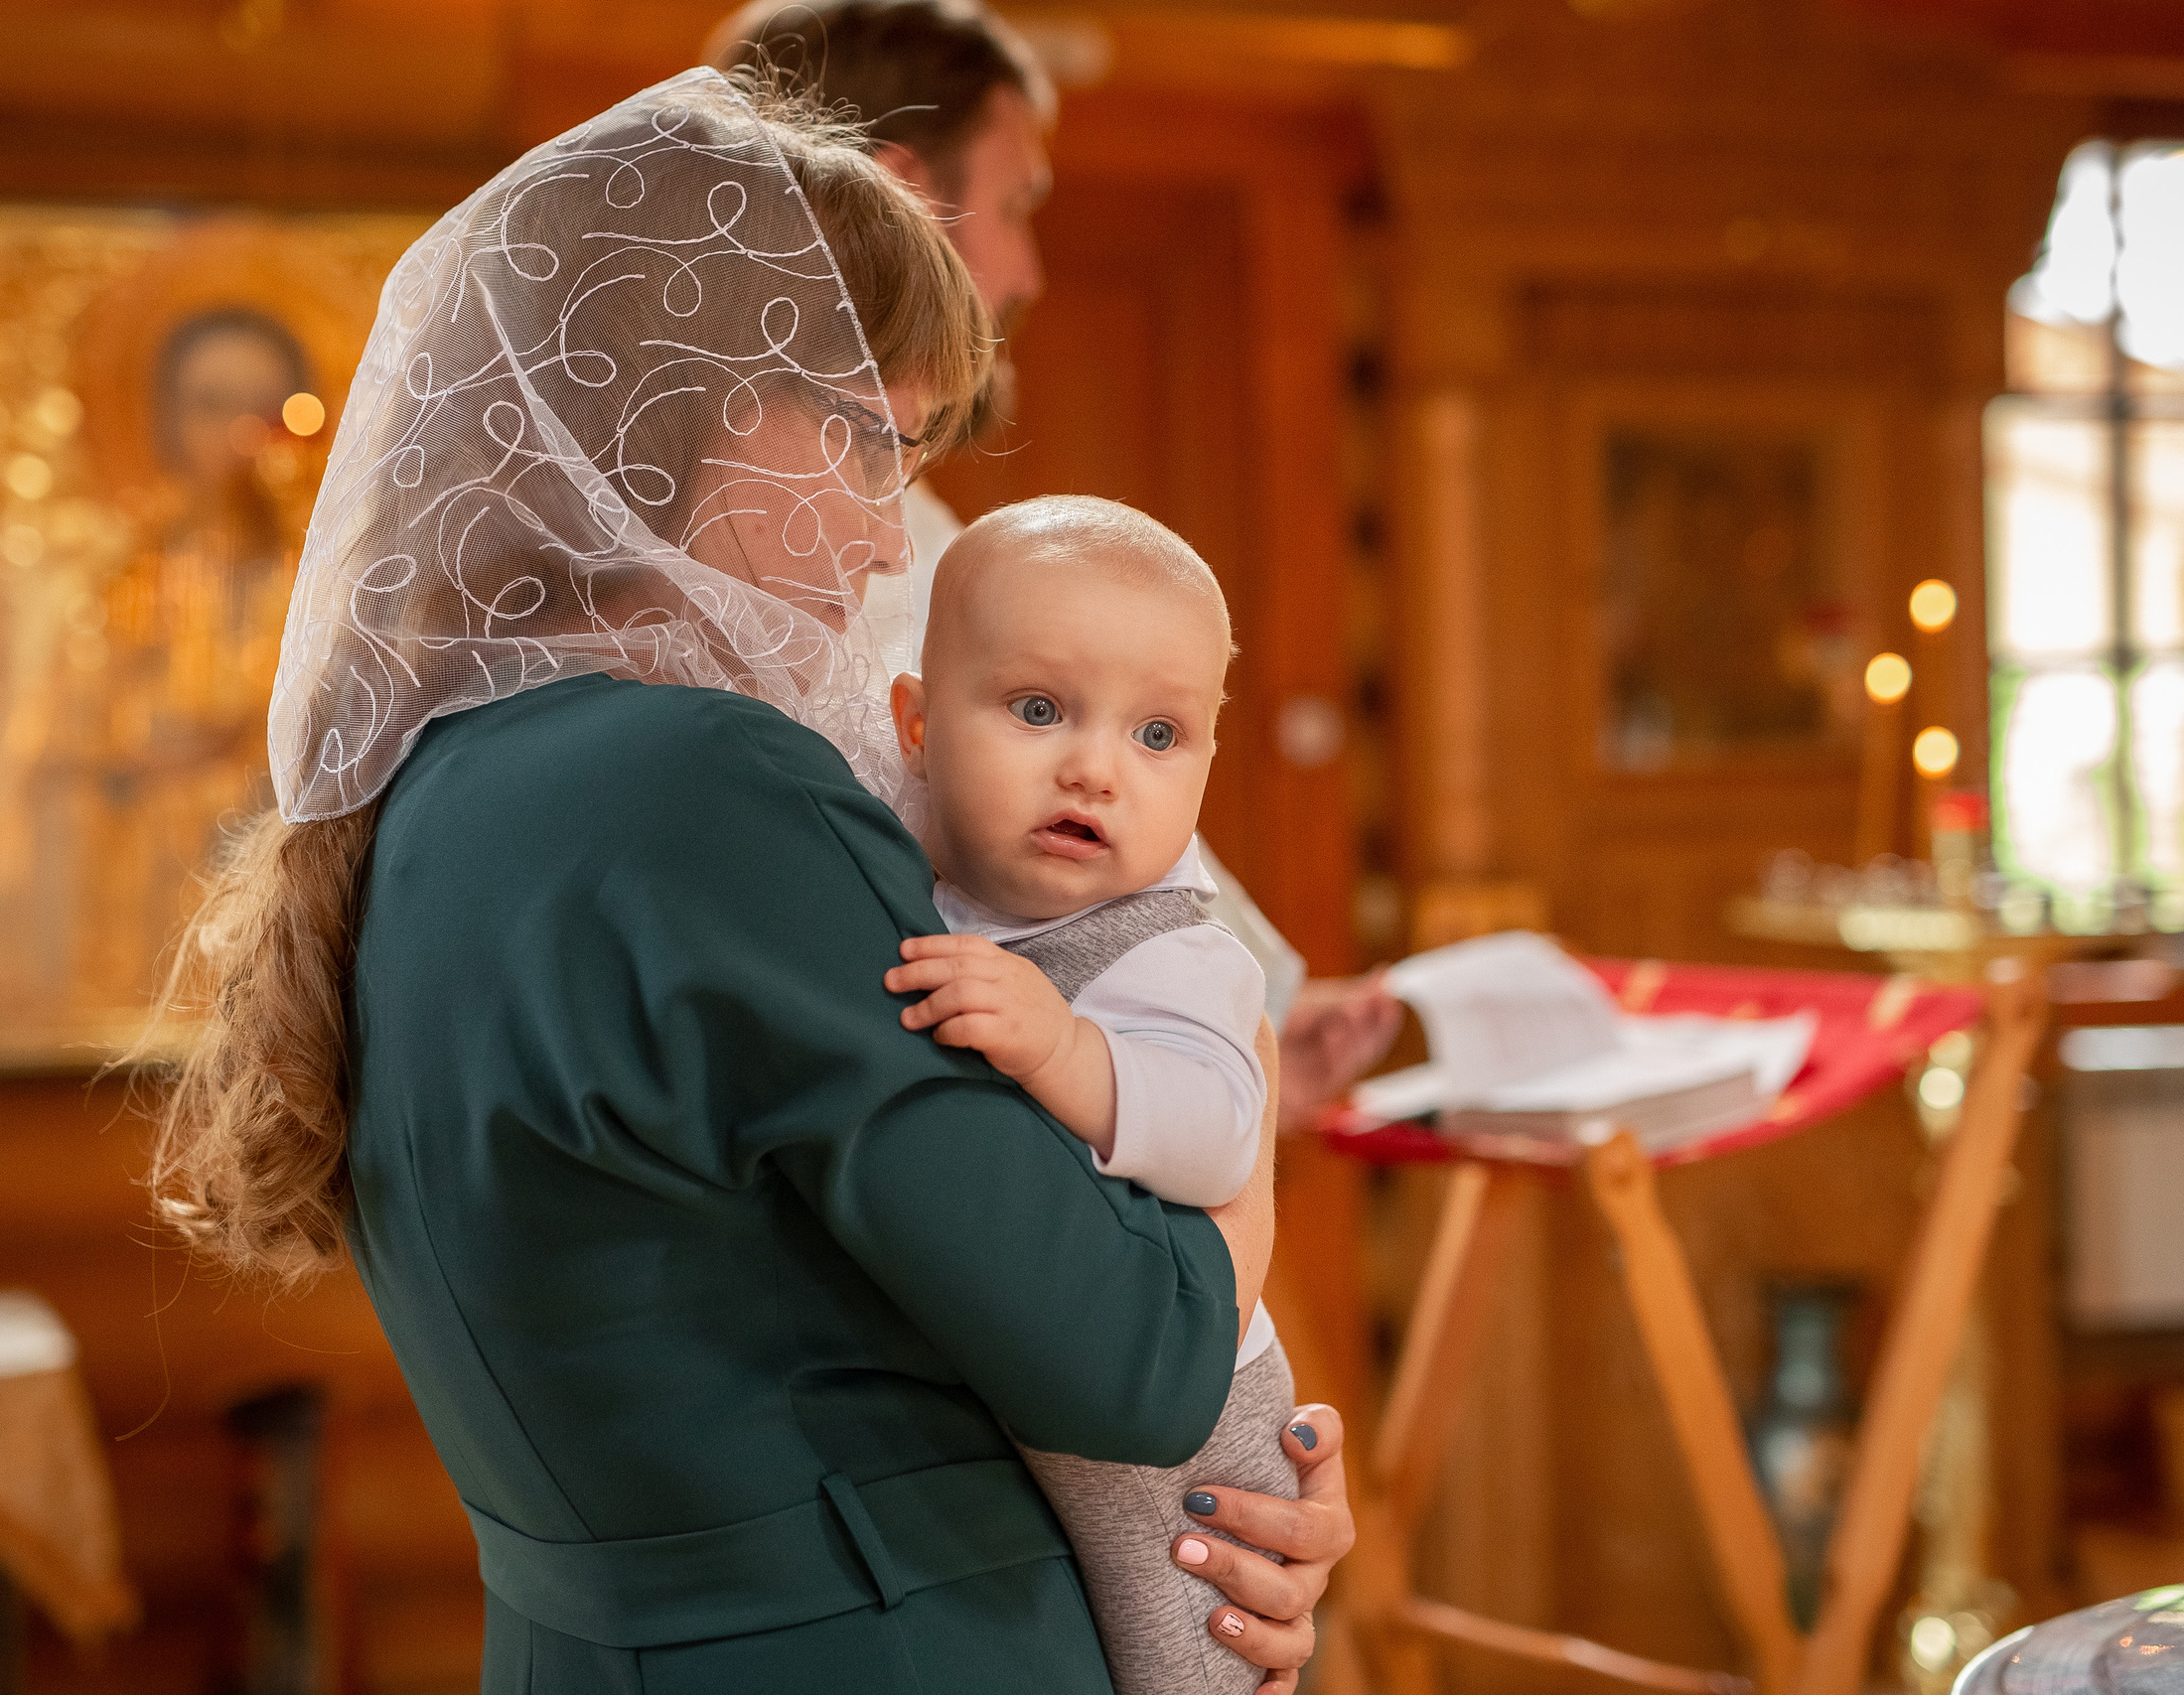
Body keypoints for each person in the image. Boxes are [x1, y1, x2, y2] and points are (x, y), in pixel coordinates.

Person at [140, 69, 1349, 1695]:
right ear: (673, 404)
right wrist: (1241, 1117)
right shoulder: (709, 789)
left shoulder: (424, 792)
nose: (877, 539)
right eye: (868, 441)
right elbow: (1131, 1354)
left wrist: (1216, 1525)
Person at [706, 0, 1402, 1125]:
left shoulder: (870, 505)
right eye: (1021, 204)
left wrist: (1259, 1007)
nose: (1028, 269)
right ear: (907, 197)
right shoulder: (827, 534)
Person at [885, 494, 1297, 1695]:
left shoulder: (1168, 951)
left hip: (1188, 1415)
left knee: (1185, 1653)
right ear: (913, 723)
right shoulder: (901, 873)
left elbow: (1221, 1137)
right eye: (1036, 709)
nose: (1094, 767)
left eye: (1158, 736)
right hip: (1028, 1390)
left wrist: (1065, 1049)